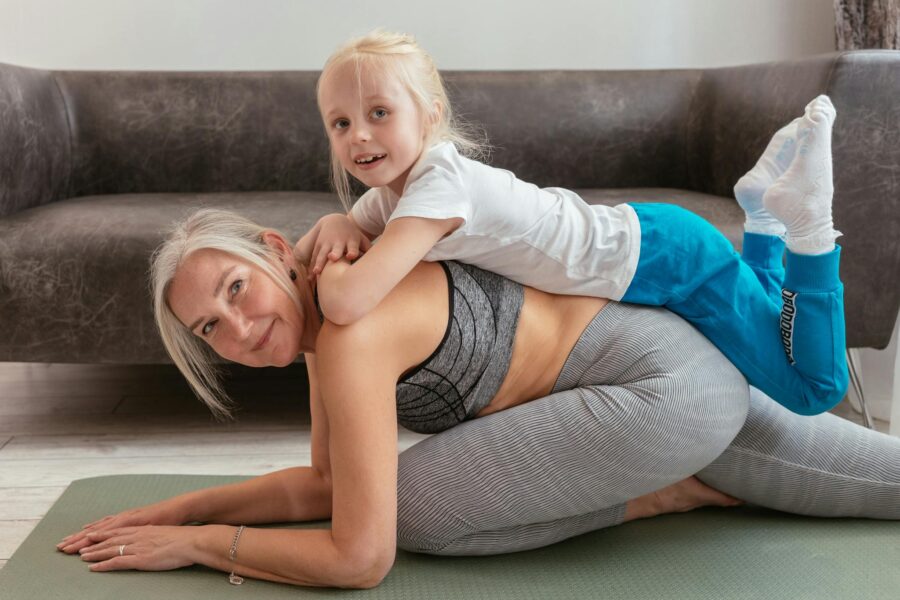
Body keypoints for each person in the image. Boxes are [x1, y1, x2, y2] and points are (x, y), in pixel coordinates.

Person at [56, 206, 899, 589]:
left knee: (413, 512)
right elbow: (324, 486)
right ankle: (662, 475)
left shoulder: (349, 326)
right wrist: (167, 513)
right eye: (210, 329)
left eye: (237, 290)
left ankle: (660, 493)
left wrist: (208, 547)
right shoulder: (331, 317)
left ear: (278, 250)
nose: (237, 330)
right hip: (661, 391)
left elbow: (360, 559)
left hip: (660, 392)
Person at [296, 30, 847, 416]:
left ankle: (810, 227)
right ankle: (762, 215)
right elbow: (305, 257)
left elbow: (345, 302)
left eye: (379, 113)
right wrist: (335, 220)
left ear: (431, 114)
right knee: (779, 331)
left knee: (813, 390)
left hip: (667, 263)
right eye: (340, 123)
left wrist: (341, 237)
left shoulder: (438, 185)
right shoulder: (393, 198)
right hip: (655, 239)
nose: (359, 136)